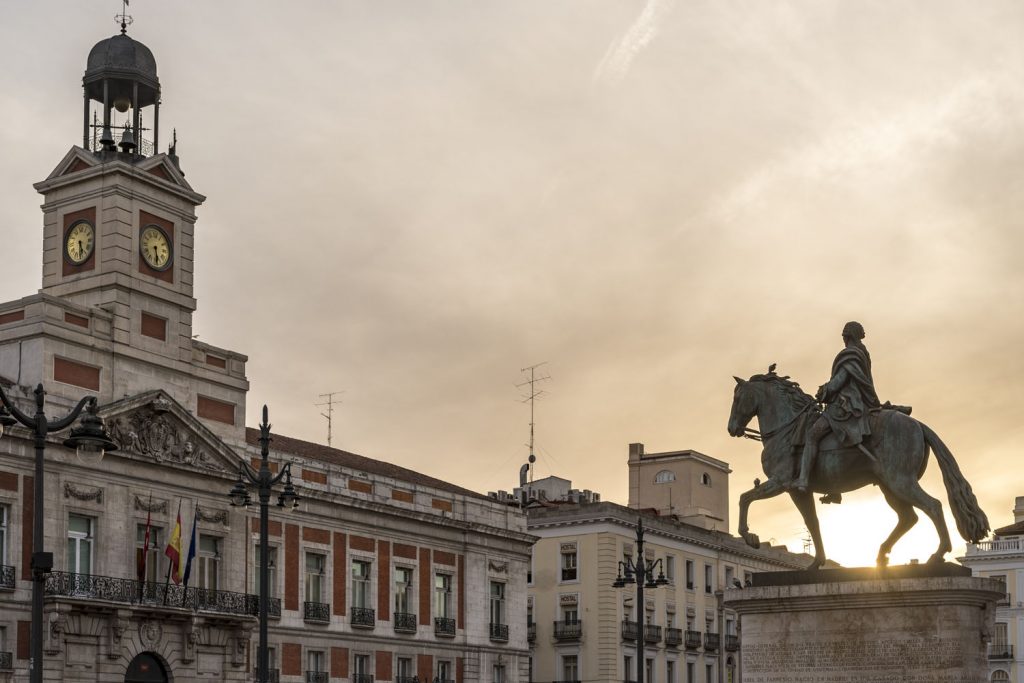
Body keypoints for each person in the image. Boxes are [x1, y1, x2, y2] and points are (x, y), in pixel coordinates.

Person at [794, 321, 880, 492]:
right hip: (856, 401)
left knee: (812, 435)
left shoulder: (850, 354)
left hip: (846, 405)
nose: (843, 338)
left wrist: (824, 391)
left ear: (848, 336)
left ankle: (803, 479)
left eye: (844, 335)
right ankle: (833, 490)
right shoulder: (863, 352)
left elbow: (839, 381)